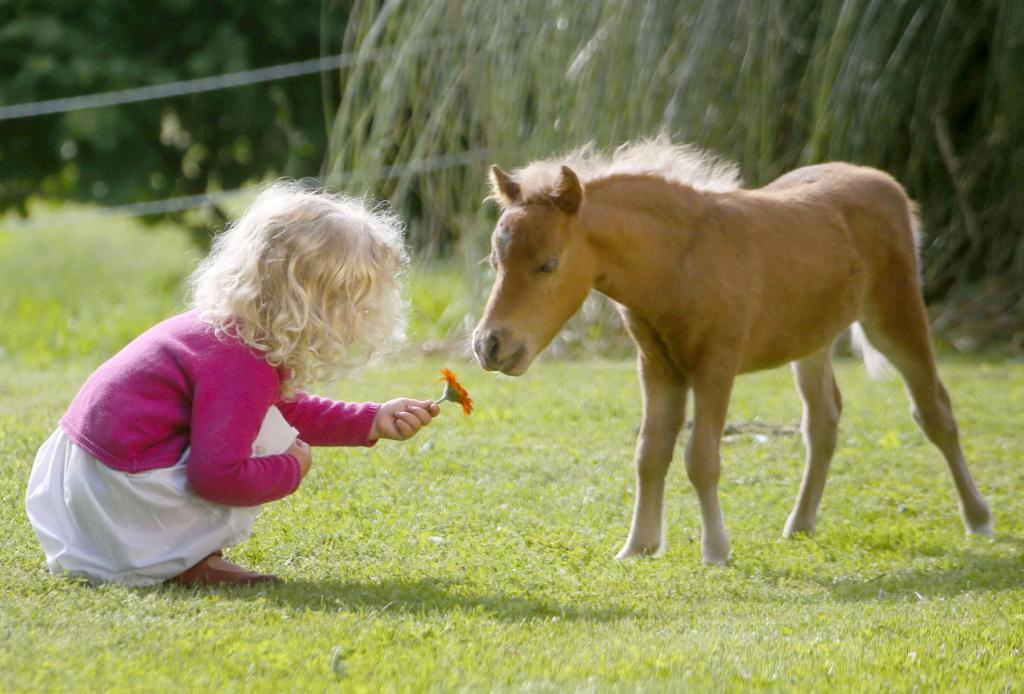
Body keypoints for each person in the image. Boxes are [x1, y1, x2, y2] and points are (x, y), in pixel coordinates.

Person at [25, 181, 439, 587]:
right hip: (119, 504)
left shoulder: (225, 331)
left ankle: (177, 553)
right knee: (275, 443)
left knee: (263, 426)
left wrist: (371, 420)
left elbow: (276, 407)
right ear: (318, 303)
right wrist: (292, 467)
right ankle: (177, 559)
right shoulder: (241, 360)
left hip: (86, 490)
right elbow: (216, 477)